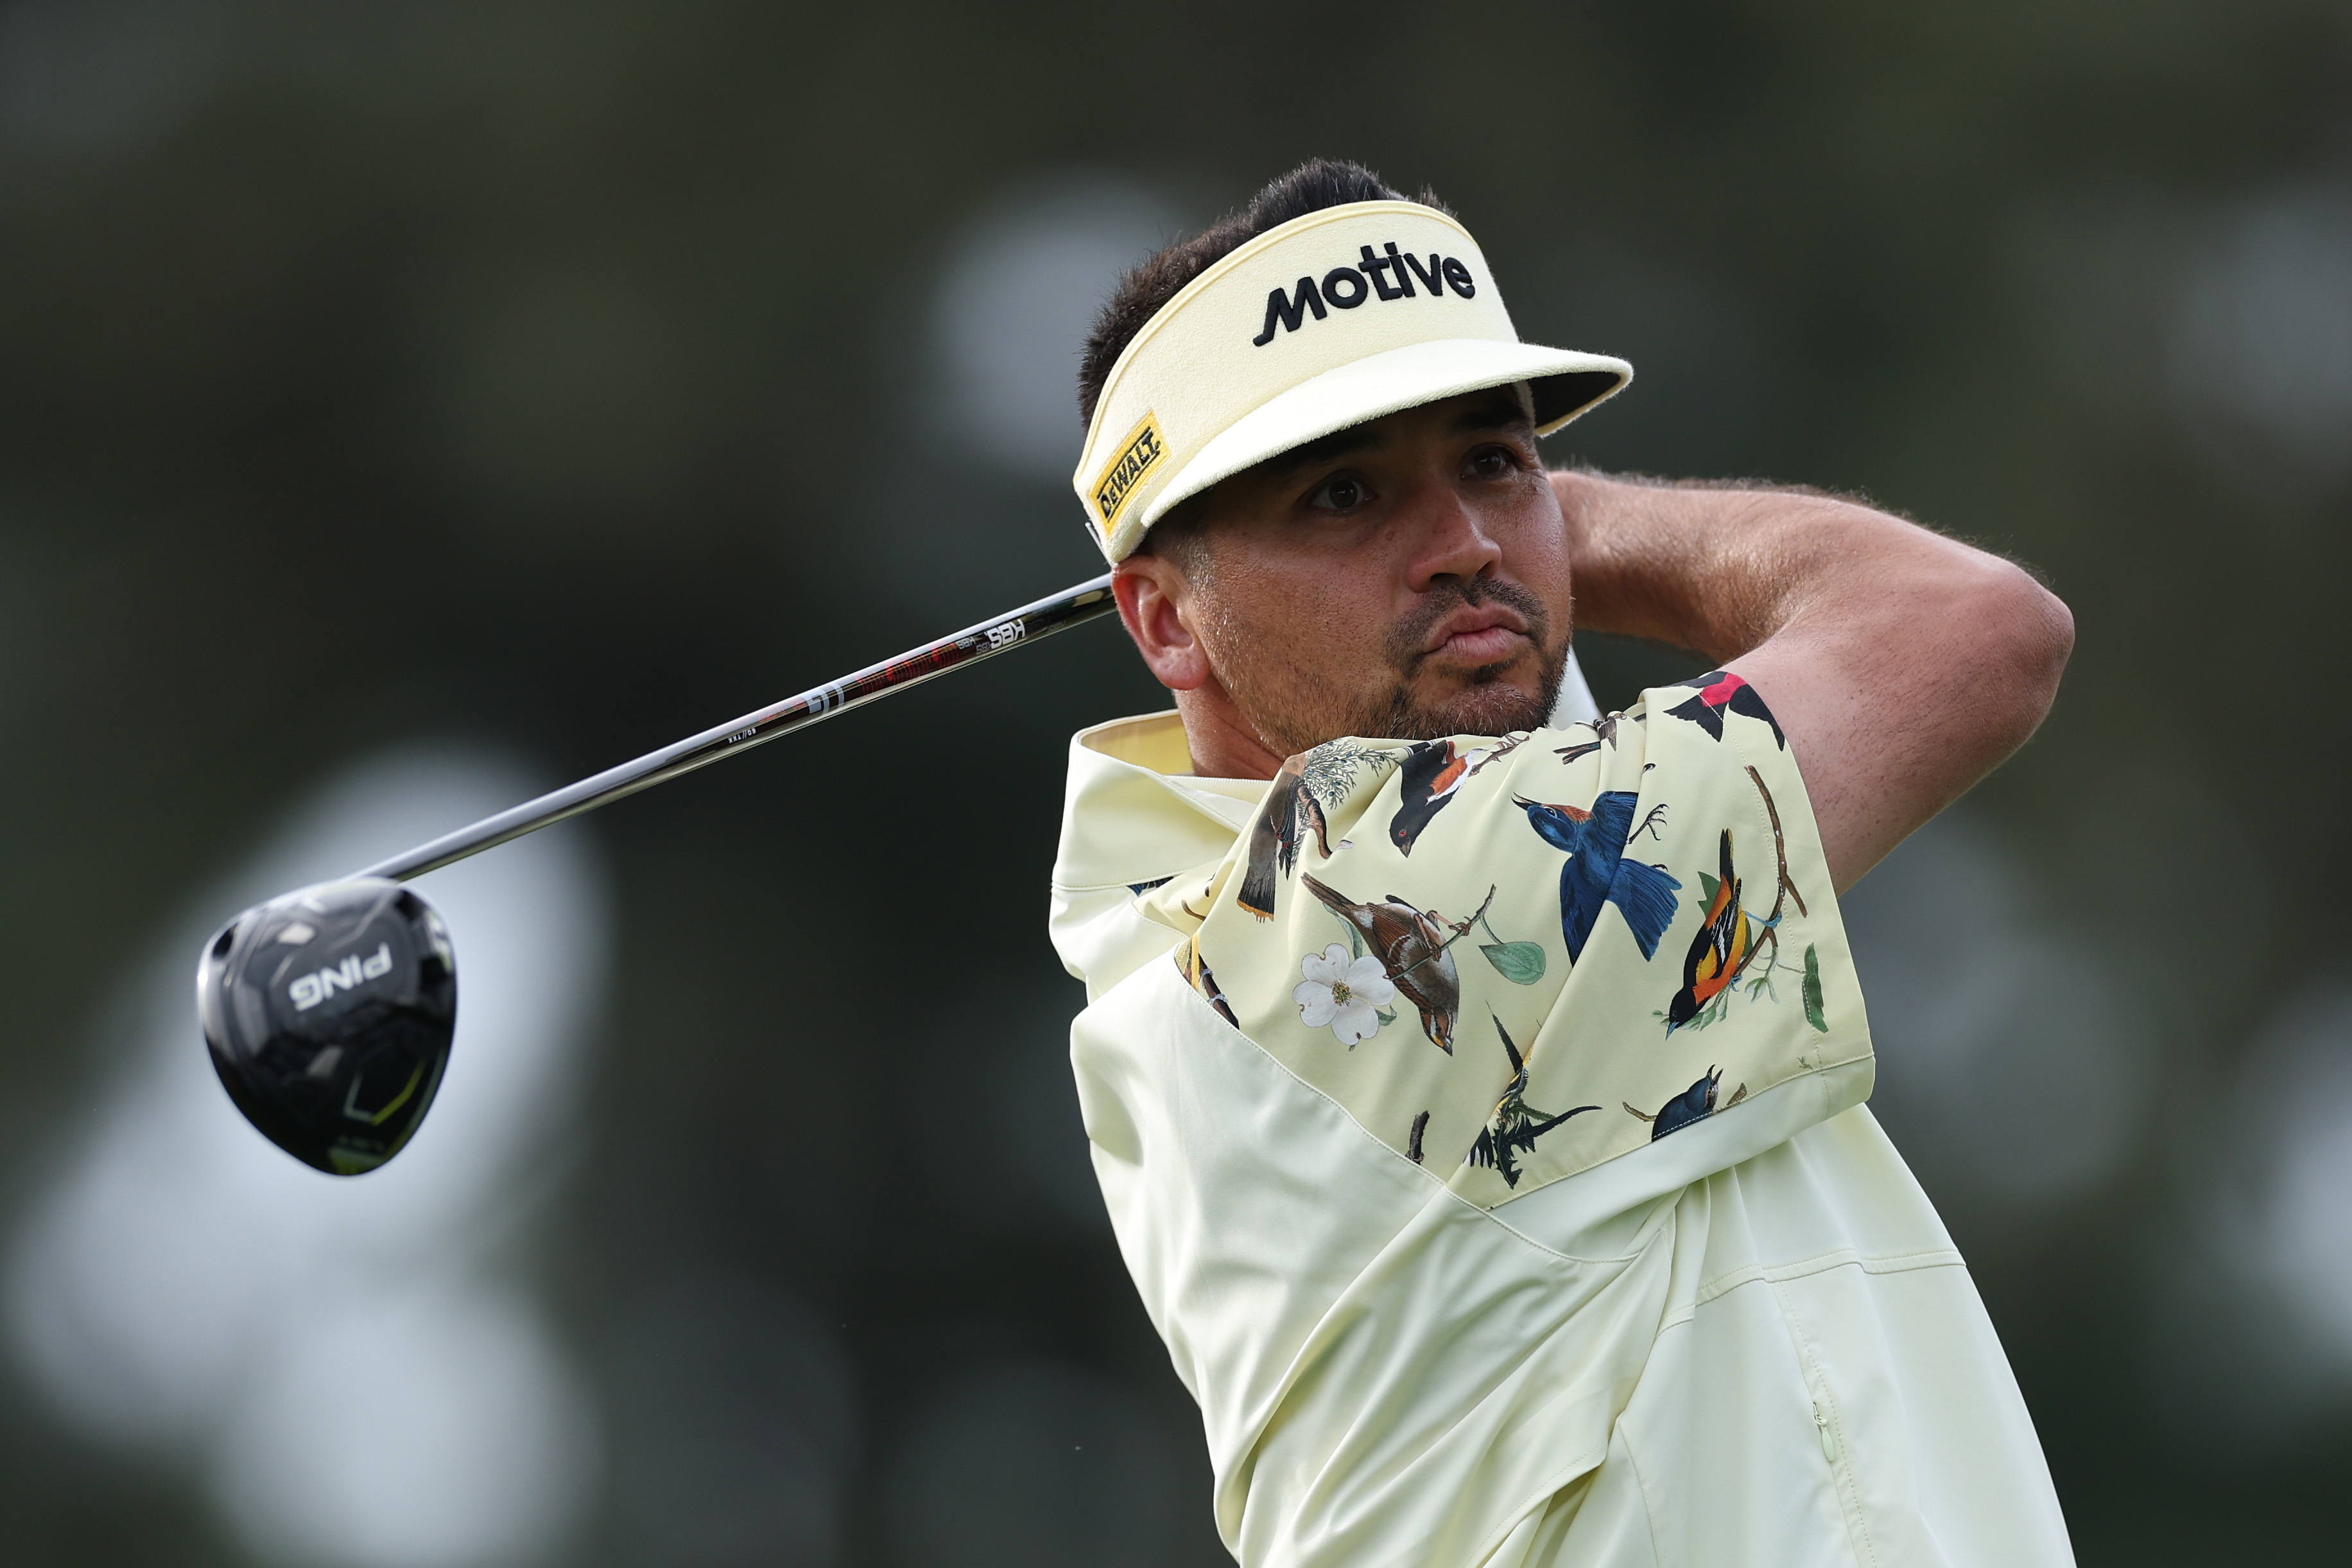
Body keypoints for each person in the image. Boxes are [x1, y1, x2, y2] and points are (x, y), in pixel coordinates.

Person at [1048, 160, 2075, 1568]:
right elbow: (1967, 630)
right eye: (1344, 492)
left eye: (1492, 460)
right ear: (1166, 621)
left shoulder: (1239, 928)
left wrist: (1486, 548)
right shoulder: (1366, 928)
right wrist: (1567, 529)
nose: (1460, 545)